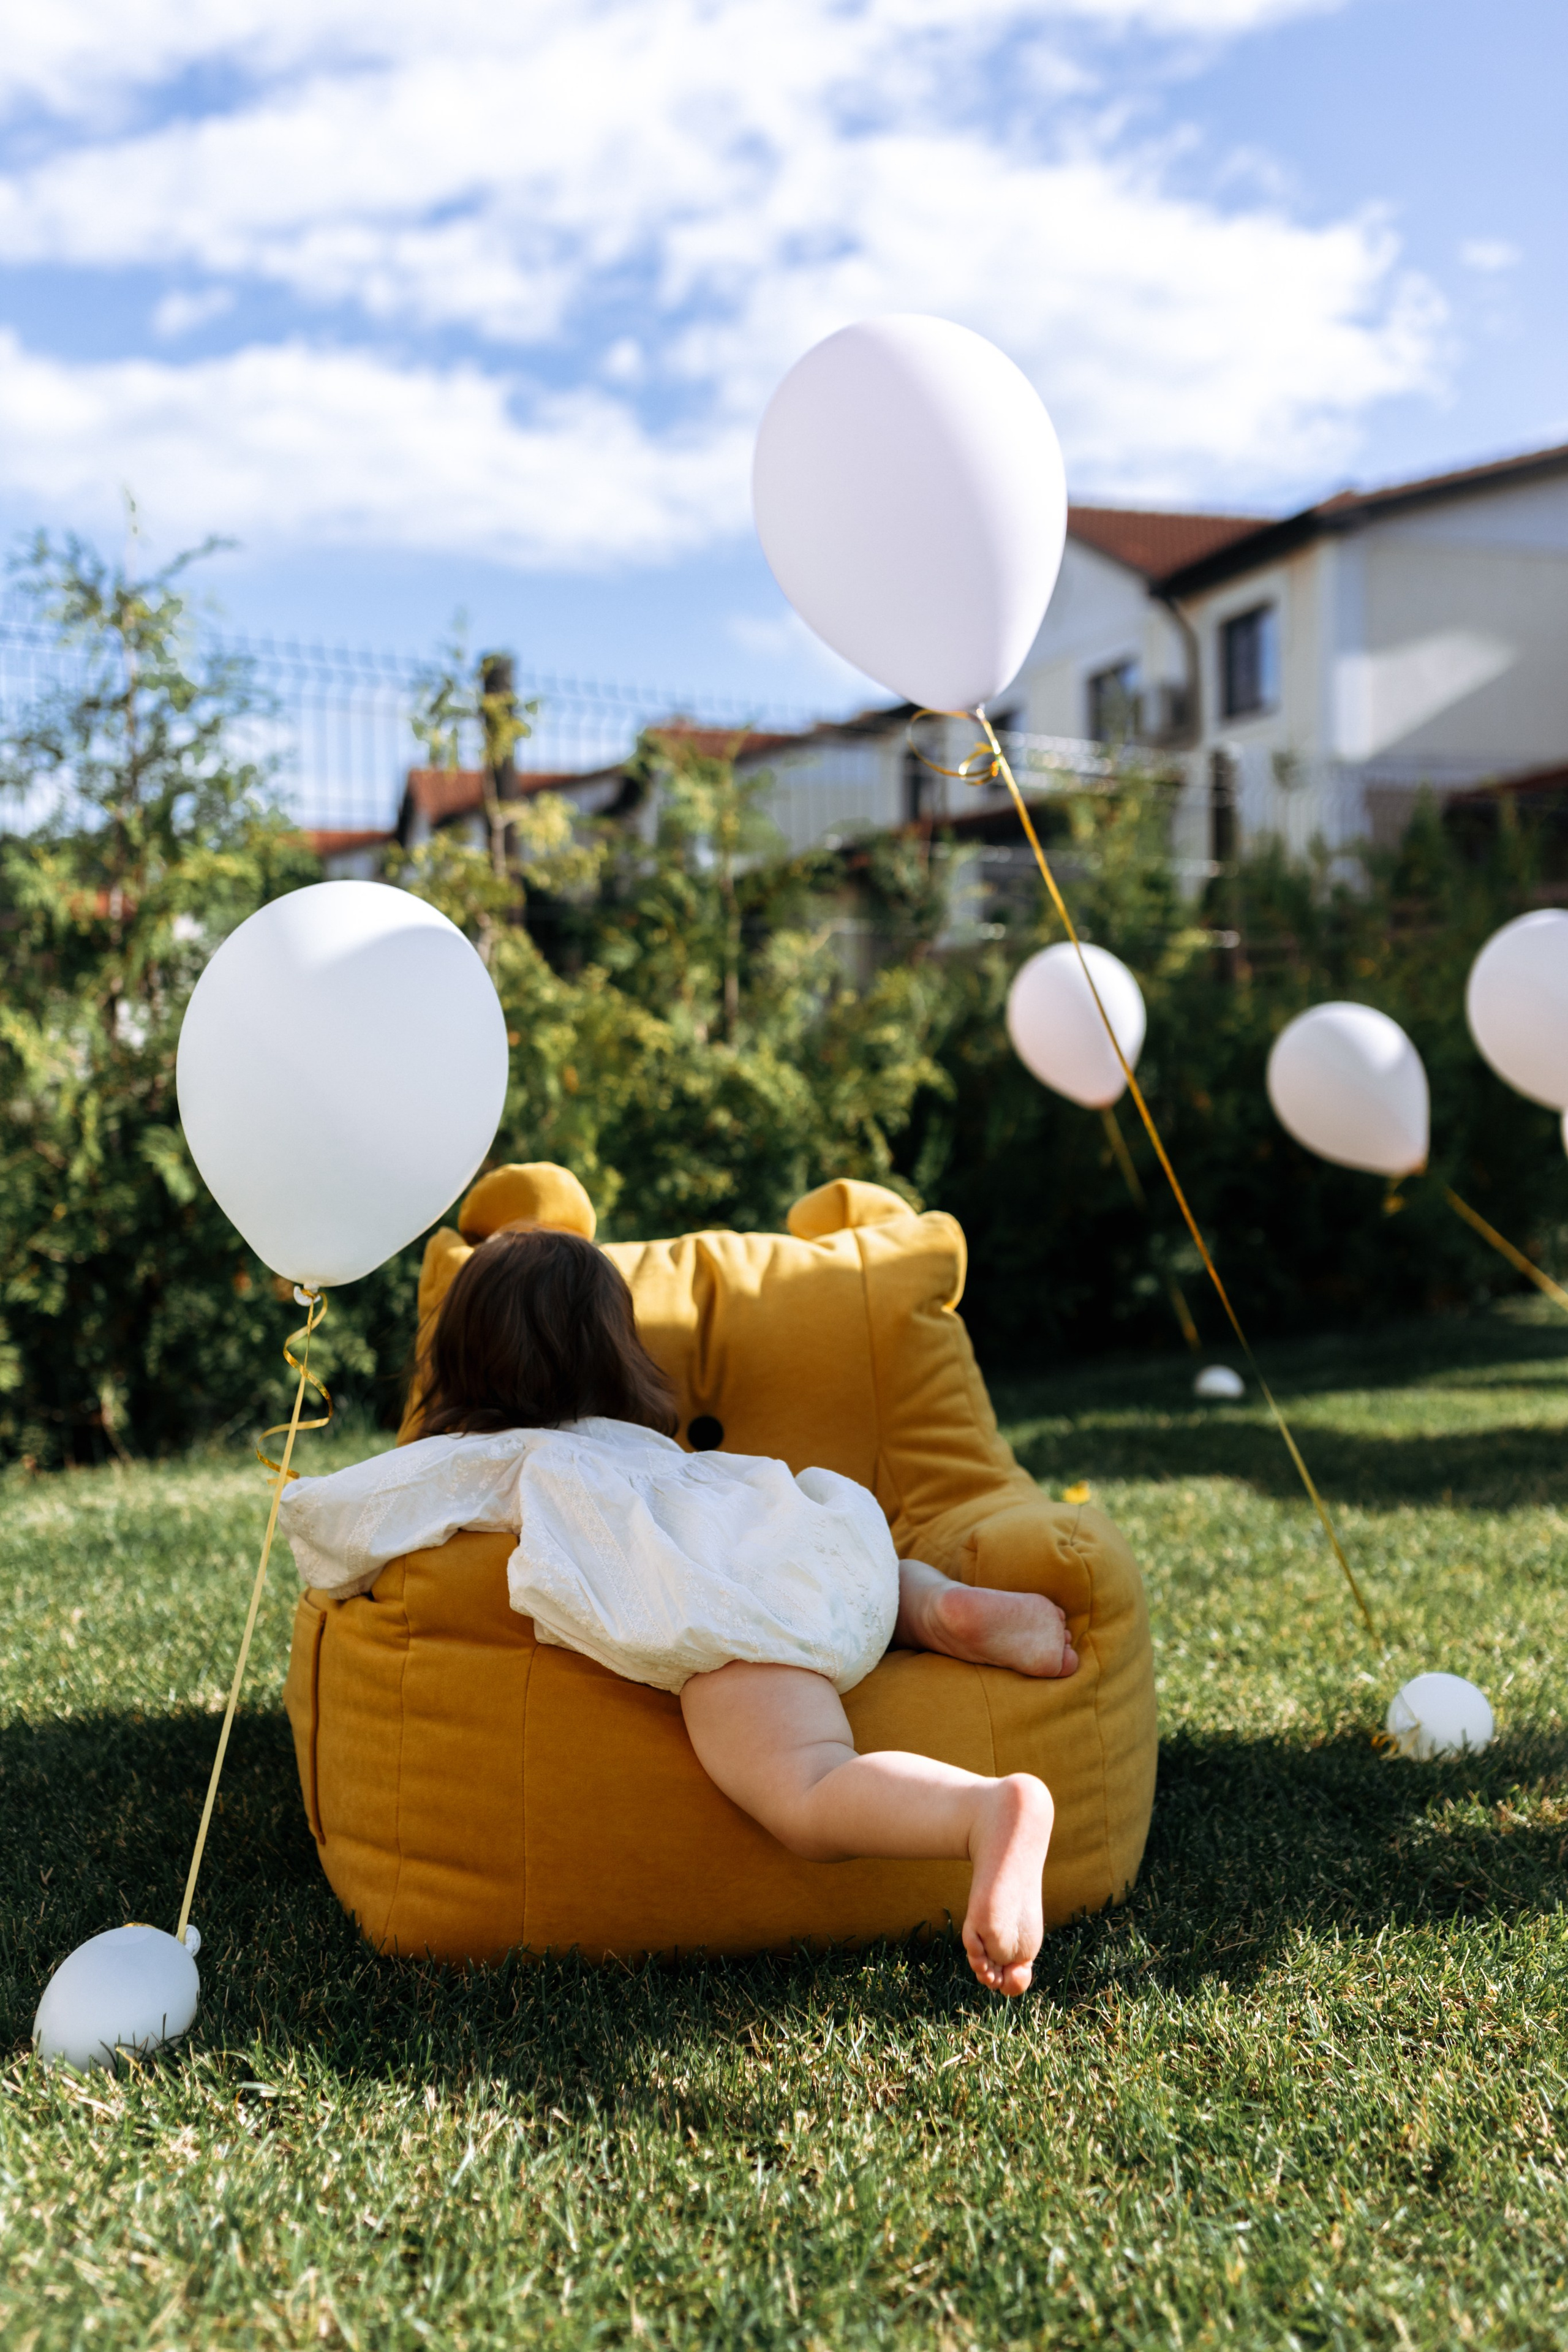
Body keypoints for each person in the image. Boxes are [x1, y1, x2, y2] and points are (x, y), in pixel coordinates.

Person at [280, 1228, 1079, 1995]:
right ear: (617, 1353)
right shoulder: (658, 1456)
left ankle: (985, 1811)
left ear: (456, 1365)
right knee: (858, 1578)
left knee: (806, 1787)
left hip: (732, 1616)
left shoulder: (489, 1459)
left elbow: (341, 1519)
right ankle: (941, 1609)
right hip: (810, 1527)